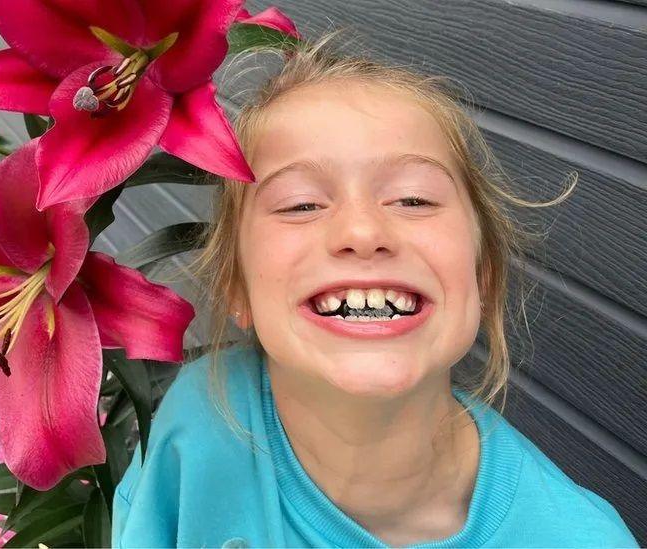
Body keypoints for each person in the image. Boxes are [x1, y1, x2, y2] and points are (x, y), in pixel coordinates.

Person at [110, 31, 639, 548]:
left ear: (483, 275)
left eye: (413, 199)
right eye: (300, 204)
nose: (362, 233)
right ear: (238, 288)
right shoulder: (191, 422)